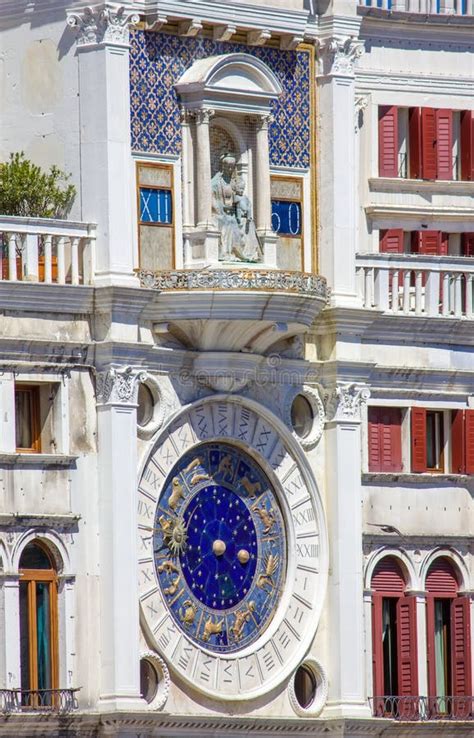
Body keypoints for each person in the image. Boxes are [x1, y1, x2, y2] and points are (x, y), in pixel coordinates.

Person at [234, 178, 263, 263]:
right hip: (241, 221)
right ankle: (243, 254)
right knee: (242, 238)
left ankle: (250, 254)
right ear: (236, 188)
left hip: (247, 221)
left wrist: (249, 217)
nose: (241, 190)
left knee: (249, 239)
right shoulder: (236, 198)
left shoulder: (245, 198)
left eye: (243, 188)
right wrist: (239, 220)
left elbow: (249, 207)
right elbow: (238, 209)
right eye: (240, 188)